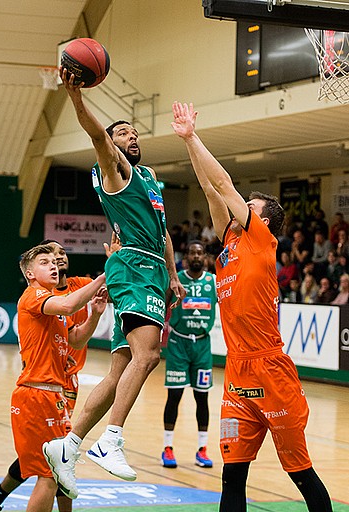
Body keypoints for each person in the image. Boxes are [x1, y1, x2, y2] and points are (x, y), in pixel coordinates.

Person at [171, 101, 332, 512]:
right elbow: (211, 190)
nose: (241, 207)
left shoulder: (262, 240)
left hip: (271, 370)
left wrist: (193, 135)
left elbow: (223, 183)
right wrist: (187, 144)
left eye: (250, 206)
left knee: (300, 472)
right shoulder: (229, 242)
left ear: (263, 221)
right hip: (238, 374)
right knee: (232, 476)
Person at [42, 68, 186, 499]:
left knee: (122, 367)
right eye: (122, 133)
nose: (131, 137)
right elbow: (95, 134)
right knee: (150, 354)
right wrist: (75, 97)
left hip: (151, 269)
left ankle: (68, 445)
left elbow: (163, 232)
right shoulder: (114, 169)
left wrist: (173, 276)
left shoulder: (149, 178)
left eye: (134, 133)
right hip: (135, 267)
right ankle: (111, 439)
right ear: (111, 143)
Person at [0, 240, 108, 512]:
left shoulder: (53, 304)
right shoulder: (34, 295)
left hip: (53, 396)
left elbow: (77, 340)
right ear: (30, 273)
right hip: (36, 395)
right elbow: (69, 305)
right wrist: (105, 274)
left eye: (55, 261)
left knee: (58, 467)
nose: (54, 266)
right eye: (45, 263)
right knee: (50, 474)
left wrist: (94, 314)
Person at [161, 240, 217, 469]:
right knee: (174, 396)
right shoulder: (176, 280)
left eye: (200, 253)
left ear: (205, 258)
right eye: (192, 253)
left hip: (202, 345)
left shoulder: (213, 282)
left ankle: (202, 449)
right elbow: (163, 306)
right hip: (178, 343)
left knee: (202, 397)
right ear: (185, 258)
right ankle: (167, 447)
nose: (196, 256)